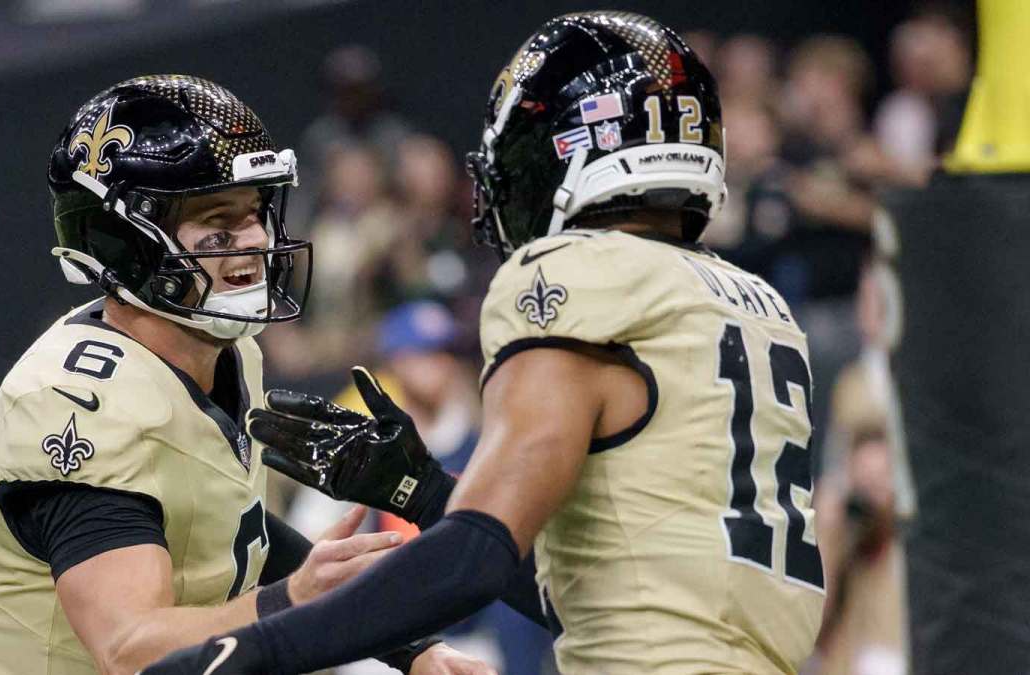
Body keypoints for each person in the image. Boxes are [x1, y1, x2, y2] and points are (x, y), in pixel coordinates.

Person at [145, 11, 824, 674]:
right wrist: (429, 491)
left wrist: (254, 646)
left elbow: (475, 559)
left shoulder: (577, 273)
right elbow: (606, 594)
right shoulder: (754, 303)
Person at [0, 74, 488, 675]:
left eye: (256, 212)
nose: (257, 240)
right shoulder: (75, 403)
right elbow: (128, 648)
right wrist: (296, 599)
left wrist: (407, 647)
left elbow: (239, 534)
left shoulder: (228, 351)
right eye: (219, 223)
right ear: (127, 240)